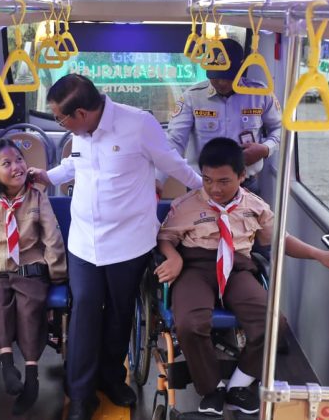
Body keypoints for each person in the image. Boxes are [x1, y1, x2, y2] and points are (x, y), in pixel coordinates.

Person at [28, 74, 202, 420]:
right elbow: (76, 163)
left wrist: (208, 191)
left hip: (129, 242)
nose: (60, 124)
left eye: (61, 119)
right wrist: (49, 176)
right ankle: (80, 394)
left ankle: (110, 377)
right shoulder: (80, 134)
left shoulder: (139, 125)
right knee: (85, 311)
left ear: (81, 113)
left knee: (120, 313)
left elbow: (172, 164)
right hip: (84, 242)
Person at [155, 137, 329, 416]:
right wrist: (173, 257)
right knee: (189, 324)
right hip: (194, 267)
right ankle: (212, 388)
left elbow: (280, 240)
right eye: (208, 180)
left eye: (224, 181)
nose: (214, 189)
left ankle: (239, 384)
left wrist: (320, 255)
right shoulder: (186, 204)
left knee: (274, 324)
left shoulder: (255, 206)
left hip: (238, 269)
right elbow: (166, 238)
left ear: (242, 176)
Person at [0, 138, 67, 416]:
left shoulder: (37, 196)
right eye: (7, 163)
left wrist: (57, 272)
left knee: (30, 309)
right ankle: (7, 364)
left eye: (19, 159)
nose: (17, 166)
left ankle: (31, 375)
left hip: (30, 269)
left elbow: (52, 237)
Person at [163, 37, 282, 196]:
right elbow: (174, 142)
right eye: (215, 76)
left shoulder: (260, 94)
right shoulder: (192, 97)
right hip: (203, 185)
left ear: (241, 68)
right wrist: (158, 179)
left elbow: (281, 128)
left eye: (228, 76)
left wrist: (266, 149)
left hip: (246, 184)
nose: (221, 83)